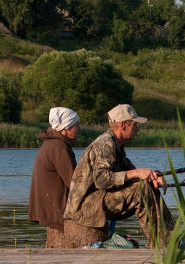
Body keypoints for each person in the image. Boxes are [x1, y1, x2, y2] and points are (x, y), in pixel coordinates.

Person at [65, 103, 174, 248]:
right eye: (134, 125)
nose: (137, 129)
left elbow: (133, 172)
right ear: (123, 125)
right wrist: (137, 173)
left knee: (147, 185)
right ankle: (163, 245)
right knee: (140, 190)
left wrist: (153, 176)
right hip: (85, 208)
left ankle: (171, 236)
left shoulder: (117, 145)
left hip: (98, 200)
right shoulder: (105, 144)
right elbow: (102, 180)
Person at [28, 106, 81, 248]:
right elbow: (74, 183)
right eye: (76, 125)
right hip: (56, 209)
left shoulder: (52, 143)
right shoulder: (59, 148)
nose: (80, 129)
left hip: (51, 207)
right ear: (67, 128)